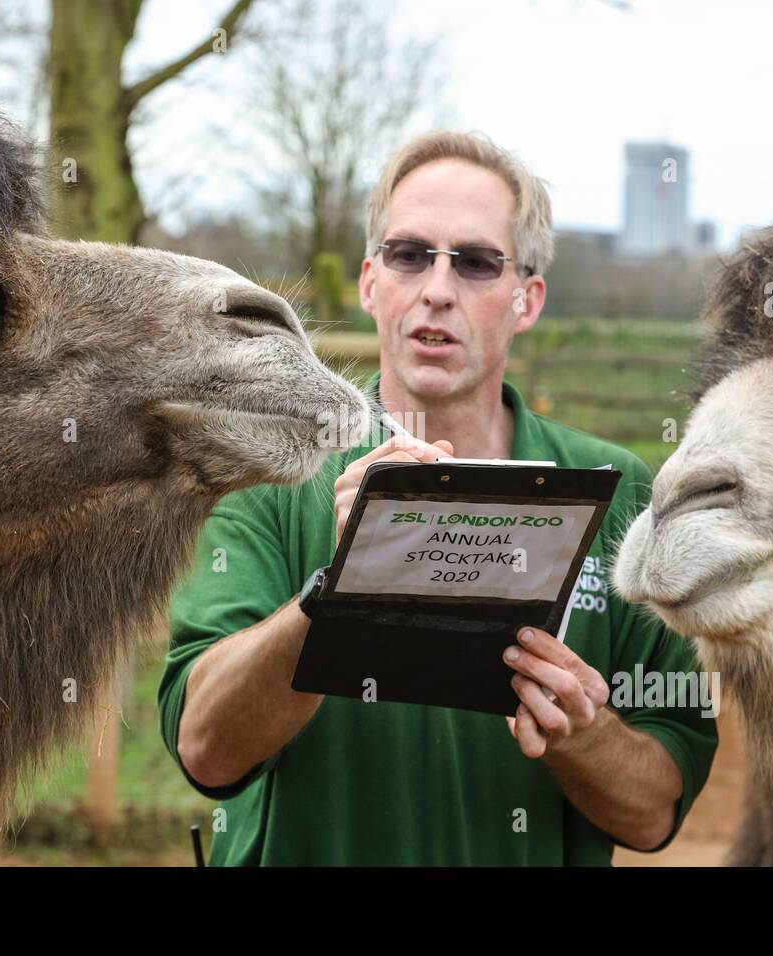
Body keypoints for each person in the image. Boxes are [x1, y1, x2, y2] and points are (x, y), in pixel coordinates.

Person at [158, 131, 717, 865]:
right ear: (369, 282)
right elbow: (205, 750)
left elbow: (653, 813)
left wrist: (584, 734)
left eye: (478, 263)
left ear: (527, 298)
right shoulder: (279, 471)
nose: (438, 289)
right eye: (409, 254)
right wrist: (338, 591)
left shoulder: (614, 491)